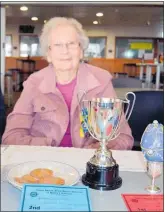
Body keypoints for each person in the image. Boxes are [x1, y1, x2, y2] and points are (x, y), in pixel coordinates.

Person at [2, 17, 133, 149]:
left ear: (81, 51)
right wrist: (49, 147)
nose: (65, 51)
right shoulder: (34, 83)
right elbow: (12, 136)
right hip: (44, 161)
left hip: (88, 161)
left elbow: (123, 136)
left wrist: (98, 151)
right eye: (57, 45)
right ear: (48, 53)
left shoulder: (101, 80)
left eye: (71, 44)